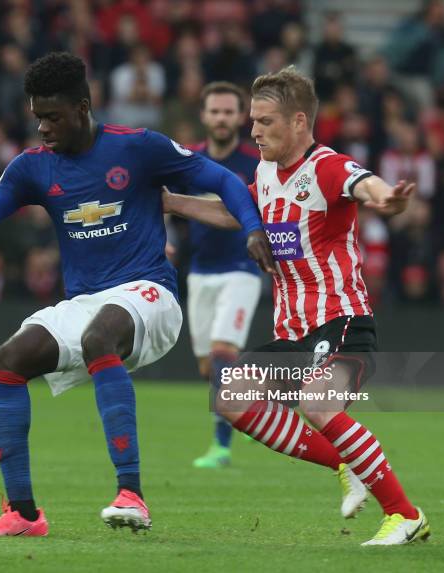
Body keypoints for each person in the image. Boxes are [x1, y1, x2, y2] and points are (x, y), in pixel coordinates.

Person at [0, 52, 275, 537]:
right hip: (86, 302)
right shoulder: (32, 169)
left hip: (150, 293)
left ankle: (132, 495)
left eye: (53, 117)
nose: (43, 128)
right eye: (37, 117)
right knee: (6, 358)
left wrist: (253, 229)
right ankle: (23, 514)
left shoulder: (140, 147)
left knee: (98, 335)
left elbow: (223, 180)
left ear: (83, 107)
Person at [163, 67, 429, 546]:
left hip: (343, 321)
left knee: (317, 401)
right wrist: (170, 201)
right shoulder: (265, 174)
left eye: (265, 121)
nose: (254, 131)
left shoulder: (326, 166)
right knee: (230, 395)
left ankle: (405, 514)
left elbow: (363, 183)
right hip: (293, 332)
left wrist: (386, 198)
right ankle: (345, 463)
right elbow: (231, 211)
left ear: (299, 122)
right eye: (253, 121)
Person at [168, 81, 263, 468]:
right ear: (204, 116)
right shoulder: (189, 161)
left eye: (229, 112)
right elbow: (158, 201)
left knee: (224, 354)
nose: (222, 118)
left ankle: (222, 446)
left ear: (241, 117)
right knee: (210, 366)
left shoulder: (254, 164)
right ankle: (256, 393)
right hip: (200, 272)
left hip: (242, 270)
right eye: (215, 111)